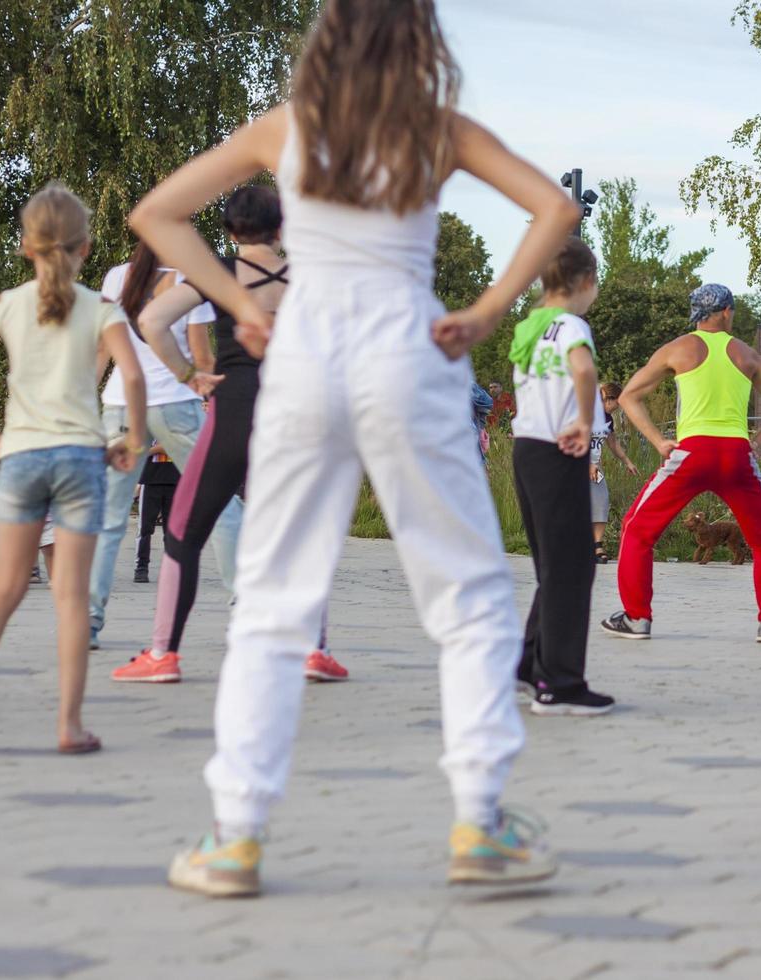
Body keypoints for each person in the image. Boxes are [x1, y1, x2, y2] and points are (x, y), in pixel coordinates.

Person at [130, 0, 579, 896]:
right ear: (419, 36)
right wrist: (488, 310)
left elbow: (158, 213)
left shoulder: (286, 128)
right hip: (408, 350)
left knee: (272, 591)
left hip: (305, 355)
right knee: (468, 587)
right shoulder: (435, 127)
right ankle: (480, 825)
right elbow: (554, 208)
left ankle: (235, 838)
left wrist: (243, 303)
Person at [114, 186, 348, 685]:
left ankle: (163, 654)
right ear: (281, 229)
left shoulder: (217, 271)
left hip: (236, 407)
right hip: (297, 409)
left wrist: (187, 375)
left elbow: (152, 319)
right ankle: (315, 649)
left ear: (228, 230)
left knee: (184, 529)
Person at [0, 183, 148, 753]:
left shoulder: (4, 304)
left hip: (21, 457)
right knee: (69, 596)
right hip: (80, 459)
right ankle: (69, 726)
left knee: (3, 590)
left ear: (26, 247)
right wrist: (133, 438)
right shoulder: (102, 308)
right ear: (85, 248)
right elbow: (134, 377)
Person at [601, 284, 761, 643]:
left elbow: (629, 396)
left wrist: (659, 441)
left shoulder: (678, 348)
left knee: (637, 530)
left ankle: (636, 617)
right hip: (737, 455)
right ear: (725, 312)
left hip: (691, 453)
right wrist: (758, 440)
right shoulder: (746, 354)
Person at [89, 243, 243, 650]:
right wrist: (217, 394)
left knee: (110, 516)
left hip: (121, 403)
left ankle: (87, 620)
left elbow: (104, 348)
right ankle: (245, 604)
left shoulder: (116, 277)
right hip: (176, 404)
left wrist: (84, 395)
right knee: (222, 502)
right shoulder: (188, 280)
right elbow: (203, 354)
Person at [509, 237, 613, 716]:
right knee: (573, 569)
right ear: (586, 281)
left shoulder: (529, 325)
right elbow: (583, 369)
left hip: (526, 449)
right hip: (559, 449)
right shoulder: (572, 323)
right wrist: (586, 423)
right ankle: (560, 684)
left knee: (553, 567)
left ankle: (529, 665)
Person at [590, 381, 638, 564]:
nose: (619, 407)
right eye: (619, 402)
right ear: (609, 399)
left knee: (601, 500)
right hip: (577, 463)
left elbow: (612, 442)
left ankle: (597, 546)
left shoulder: (608, 419)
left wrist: (627, 461)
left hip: (595, 465)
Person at [134, 448, 178, 584]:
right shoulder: (151, 428)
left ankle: (171, 569)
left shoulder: (181, 427)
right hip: (150, 480)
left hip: (177, 481)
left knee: (172, 531)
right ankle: (141, 567)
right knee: (145, 528)